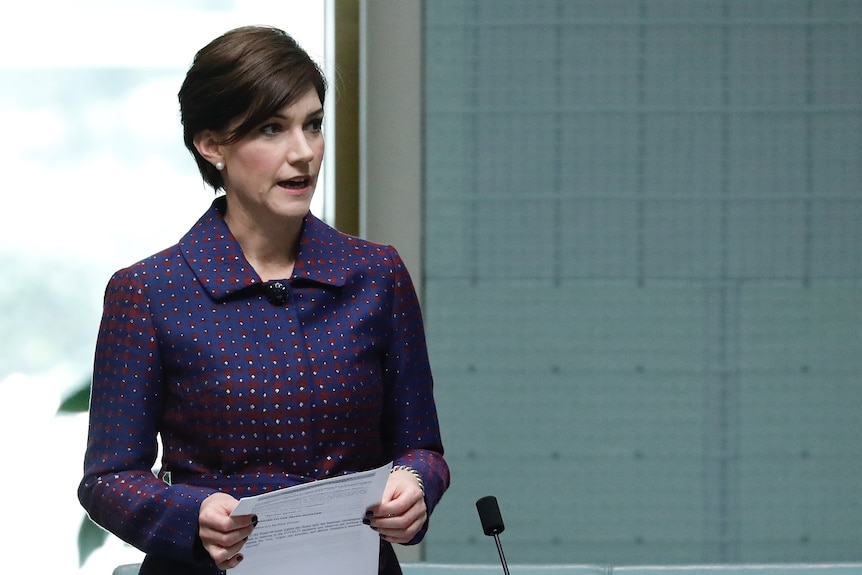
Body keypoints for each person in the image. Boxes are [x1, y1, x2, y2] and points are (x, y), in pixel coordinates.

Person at [78, 25, 449, 575]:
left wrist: (415, 485)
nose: (303, 153)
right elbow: (108, 479)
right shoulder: (149, 291)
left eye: (313, 125)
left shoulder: (377, 275)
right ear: (212, 144)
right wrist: (192, 513)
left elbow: (422, 447)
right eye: (272, 129)